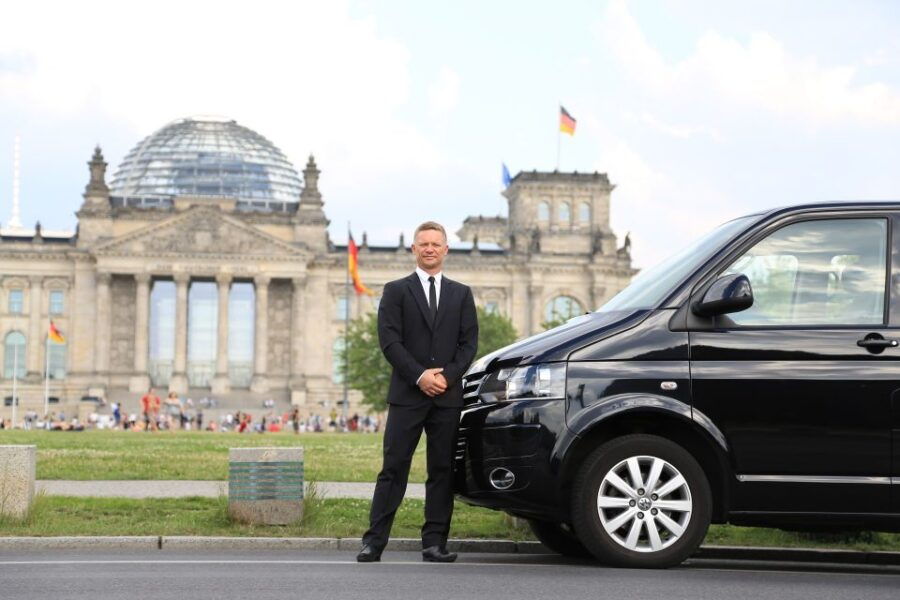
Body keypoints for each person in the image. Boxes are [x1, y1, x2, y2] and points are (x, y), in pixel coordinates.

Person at [357, 221, 478, 564]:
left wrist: (448, 377)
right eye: (423, 244)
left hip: (446, 396)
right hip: (408, 394)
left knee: (441, 471)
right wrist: (420, 376)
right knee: (393, 469)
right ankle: (374, 542)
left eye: (435, 244)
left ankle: (434, 543)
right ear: (414, 249)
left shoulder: (461, 294)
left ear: (445, 250)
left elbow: (469, 344)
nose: (429, 249)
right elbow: (389, 341)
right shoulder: (396, 291)